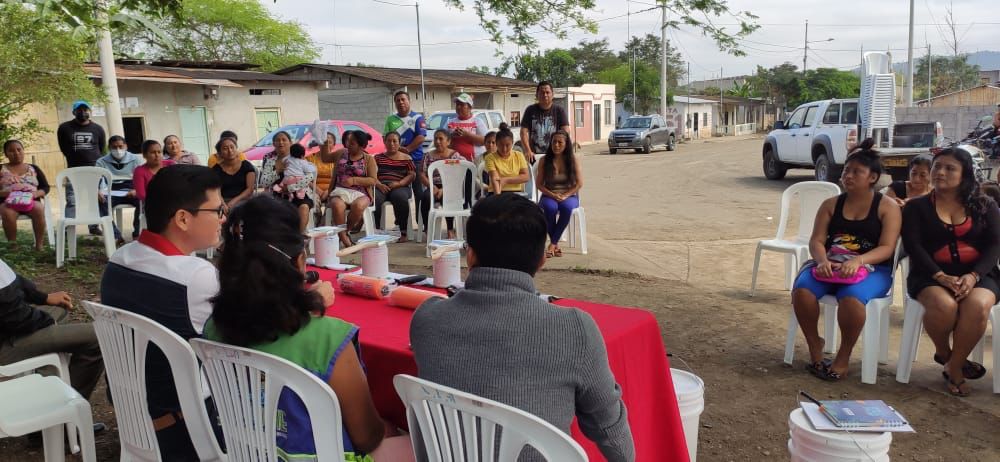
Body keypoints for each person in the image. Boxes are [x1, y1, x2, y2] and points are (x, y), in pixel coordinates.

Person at [410, 193, 635, 461]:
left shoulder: (427, 318)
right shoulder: (575, 329)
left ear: (469, 255)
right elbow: (610, 431)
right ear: (541, 260)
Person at [205, 195, 414, 462]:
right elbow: (367, 437)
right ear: (300, 262)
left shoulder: (213, 327)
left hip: (244, 452)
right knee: (419, 444)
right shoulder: (329, 339)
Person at [101, 165, 226, 460]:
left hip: (136, 413)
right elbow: (245, 335)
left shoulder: (119, 259)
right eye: (218, 210)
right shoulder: (195, 275)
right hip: (189, 429)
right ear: (183, 218)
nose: (223, 218)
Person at [792, 139, 901, 381]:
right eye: (846, 170)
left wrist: (858, 261)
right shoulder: (831, 204)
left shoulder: (887, 207)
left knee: (851, 299)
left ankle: (843, 356)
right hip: (830, 265)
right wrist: (822, 260)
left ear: (872, 177)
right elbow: (816, 240)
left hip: (872, 269)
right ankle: (815, 345)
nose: (848, 176)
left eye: (856, 172)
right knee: (802, 292)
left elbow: (887, 248)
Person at [902, 147, 1000, 396]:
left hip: (979, 274)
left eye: (949, 168)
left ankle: (954, 367)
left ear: (964, 174)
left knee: (978, 304)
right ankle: (946, 353)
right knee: (944, 305)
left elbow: (995, 245)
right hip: (929, 274)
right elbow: (913, 246)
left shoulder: (985, 204)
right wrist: (939, 276)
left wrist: (974, 276)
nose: (940, 172)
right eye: (937, 166)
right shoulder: (916, 207)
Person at [0, 257, 105, 429]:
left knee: (58, 309)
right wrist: (46, 321)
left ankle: (47, 402)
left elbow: (11, 280)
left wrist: (45, 297)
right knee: (97, 337)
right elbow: (16, 318)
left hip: (9, 328)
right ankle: (61, 421)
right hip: (5, 343)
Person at [319, 130, 378, 247]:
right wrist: (324, 143)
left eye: (352, 143)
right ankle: (344, 238)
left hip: (361, 192)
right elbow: (325, 158)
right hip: (339, 190)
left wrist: (354, 180)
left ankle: (345, 232)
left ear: (361, 146)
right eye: (348, 141)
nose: (348, 145)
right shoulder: (342, 153)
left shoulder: (368, 159)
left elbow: (373, 180)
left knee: (358, 206)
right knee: (337, 205)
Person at [56, 100, 106, 231]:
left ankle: (94, 226)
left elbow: (102, 148)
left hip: (94, 170)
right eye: (79, 110)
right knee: (72, 200)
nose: (83, 112)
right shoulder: (64, 128)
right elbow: (63, 148)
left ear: (89, 111)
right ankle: (69, 229)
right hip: (74, 170)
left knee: (94, 199)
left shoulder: (98, 129)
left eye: (85, 110)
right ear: (74, 112)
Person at [536, 131, 583, 258]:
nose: (556, 145)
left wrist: (566, 195)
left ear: (566, 144)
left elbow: (579, 183)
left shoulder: (573, 160)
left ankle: (552, 245)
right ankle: (555, 245)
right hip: (549, 194)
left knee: (566, 208)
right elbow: (539, 184)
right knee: (550, 208)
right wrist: (552, 195)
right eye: (554, 142)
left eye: (560, 142)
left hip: (569, 195)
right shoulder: (544, 160)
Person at [384, 91, 427, 225]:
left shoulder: (418, 118)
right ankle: (401, 221)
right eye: (398, 100)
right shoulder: (391, 119)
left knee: (419, 192)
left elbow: (421, 137)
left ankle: (421, 223)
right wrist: (397, 151)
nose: (401, 102)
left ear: (409, 101)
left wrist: (407, 150)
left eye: (403, 99)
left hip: (416, 160)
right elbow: (385, 137)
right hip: (397, 162)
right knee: (397, 191)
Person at [1, 140, 51, 250]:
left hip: (31, 201)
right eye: (11, 151)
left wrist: (35, 194)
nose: (16, 153)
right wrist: (6, 193)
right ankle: (13, 246)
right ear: (6, 154)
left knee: (39, 208)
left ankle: (39, 245)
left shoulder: (34, 168)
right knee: (7, 212)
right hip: (8, 202)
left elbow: (45, 187)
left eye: (19, 150)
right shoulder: (1, 169)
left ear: (23, 151)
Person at [96, 135, 143, 244]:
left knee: (143, 201)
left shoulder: (136, 159)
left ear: (126, 146)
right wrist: (97, 191)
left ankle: (137, 233)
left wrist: (137, 190)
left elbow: (141, 177)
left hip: (131, 188)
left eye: (120, 146)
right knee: (101, 202)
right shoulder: (101, 162)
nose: (118, 150)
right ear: (109, 148)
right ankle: (116, 236)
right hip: (110, 190)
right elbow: (96, 179)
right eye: (114, 147)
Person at [420, 129, 462, 239]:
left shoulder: (454, 155)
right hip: (432, 185)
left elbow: (458, 175)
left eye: (441, 139)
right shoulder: (428, 155)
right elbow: (422, 174)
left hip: (449, 186)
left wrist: (444, 189)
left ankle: (450, 229)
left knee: (448, 198)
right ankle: (427, 228)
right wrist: (431, 186)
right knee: (425, 197)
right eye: (436, 139)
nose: (437, 141)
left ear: (448, 141)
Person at [373, 132, 415, 241]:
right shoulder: (378, 158)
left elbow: (412, 175)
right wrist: (379, 184)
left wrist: (399, 183)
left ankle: (403, 231)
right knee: (375, 197)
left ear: (399, 143)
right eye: (389, 141)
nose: (391, 143)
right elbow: (372, 174)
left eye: (394, 141)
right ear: (384, 142)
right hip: (381, 186)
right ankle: (376, 230)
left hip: (401, 186)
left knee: (399, 197)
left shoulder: (407, 158)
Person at [520, 81, 570, 163]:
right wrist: (527, 150)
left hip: (555, 155)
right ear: (537, 95)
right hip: (534, 156)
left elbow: (566, 132)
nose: (545, 95)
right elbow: (523, 132)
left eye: (547, 92)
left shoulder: (559, 110)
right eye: (542, 92)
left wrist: (563, 151)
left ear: (552, 94)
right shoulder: (530, 110)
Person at [210, 137, 256, 211]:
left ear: (236, 149)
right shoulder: (216, 169)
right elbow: (217, 191)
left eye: (232, 147)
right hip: (224, 201)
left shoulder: (246, 166)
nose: (230, 150)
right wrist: (223, 204)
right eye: (225, 148)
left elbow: (250, 189)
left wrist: (234, 201)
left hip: (244, 200)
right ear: (220, 153)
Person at [483, 123, 529, 194]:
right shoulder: (490, 158)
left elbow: (526, 177)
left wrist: (506, 180)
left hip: (516, 193)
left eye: (507, 145)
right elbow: (495, 179)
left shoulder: (519, 155)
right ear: (496, 144)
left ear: (512, 143)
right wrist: (498, 198)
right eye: (501, 145)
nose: (504, 149)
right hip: (496, 192)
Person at [446, 93, 487, 162]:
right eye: (457, 104)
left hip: (474, 161)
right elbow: (442, 139)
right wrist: (452, 135)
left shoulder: (477, 121)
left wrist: (467, 135)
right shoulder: (449, 122)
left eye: (462, 105)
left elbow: (485, 141)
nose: (458, 107)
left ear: (470, 107)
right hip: (454, 161)